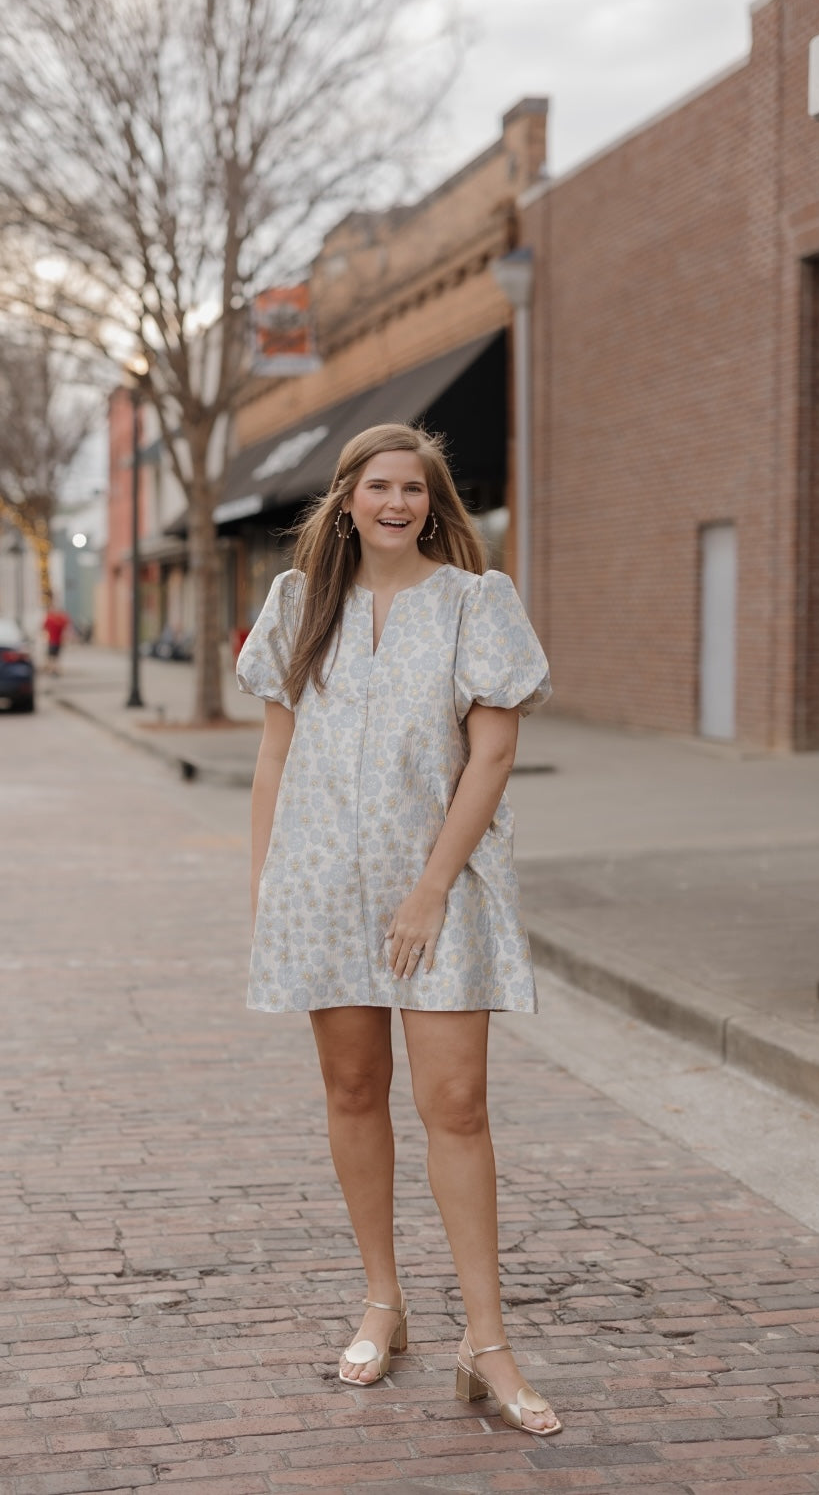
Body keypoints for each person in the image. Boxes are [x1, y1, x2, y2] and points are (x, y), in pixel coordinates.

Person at [237, 423, 561, 1437]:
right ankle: (383, 1299)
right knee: (351, 1089)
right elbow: (273, 759)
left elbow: (492, 760)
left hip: (443, 895)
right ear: (344, 499)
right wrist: (268, 890)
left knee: (456, 1103)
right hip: (323, 891)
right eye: (376, 486)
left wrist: (427, 890)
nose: (393, 503)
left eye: (411, 489)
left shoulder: (476, 603)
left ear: (432, 503)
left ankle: (487, 1341)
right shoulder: (298, 606)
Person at [41, 606, 70, 676]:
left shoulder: (50, 618)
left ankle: (52, 670)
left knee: (51, 656)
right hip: (57, 641)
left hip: (52, 641)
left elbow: (43, 627)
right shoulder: (61, 619)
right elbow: (66, 626)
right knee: (55, 656)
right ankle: (54, 670)